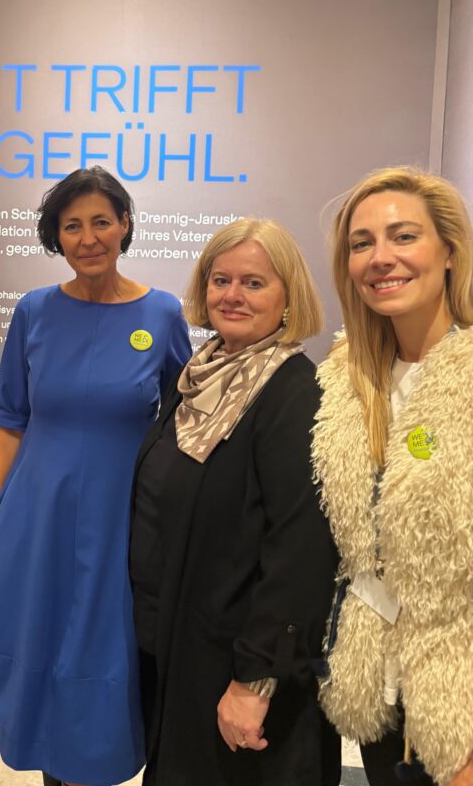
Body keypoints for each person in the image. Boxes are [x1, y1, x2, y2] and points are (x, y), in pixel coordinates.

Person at [0, 167, 192, 786]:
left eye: (101, 221)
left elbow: (187, 420)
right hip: (35, 517)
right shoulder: (34, 311)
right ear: (56, 237)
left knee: (103, 652)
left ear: (125, 225)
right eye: (73, 225)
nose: (88, 237)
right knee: (38, 644)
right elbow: (10, 422)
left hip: (119, 521)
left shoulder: (163, 312)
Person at [130, 217, 340, 786]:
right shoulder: (200, 378)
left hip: (239, 670)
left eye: (253, 282)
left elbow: (299, 554)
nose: (232, 295)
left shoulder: (293, 394)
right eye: (221, 279)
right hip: (184, 647)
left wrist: (253, 683)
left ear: (288, 297)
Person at [312, 167, 473, 786]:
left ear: (449, 252)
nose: (381, 258)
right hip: (380, 686)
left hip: (457, 693)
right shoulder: (343, 379)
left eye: (404, 237)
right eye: (362, 243)